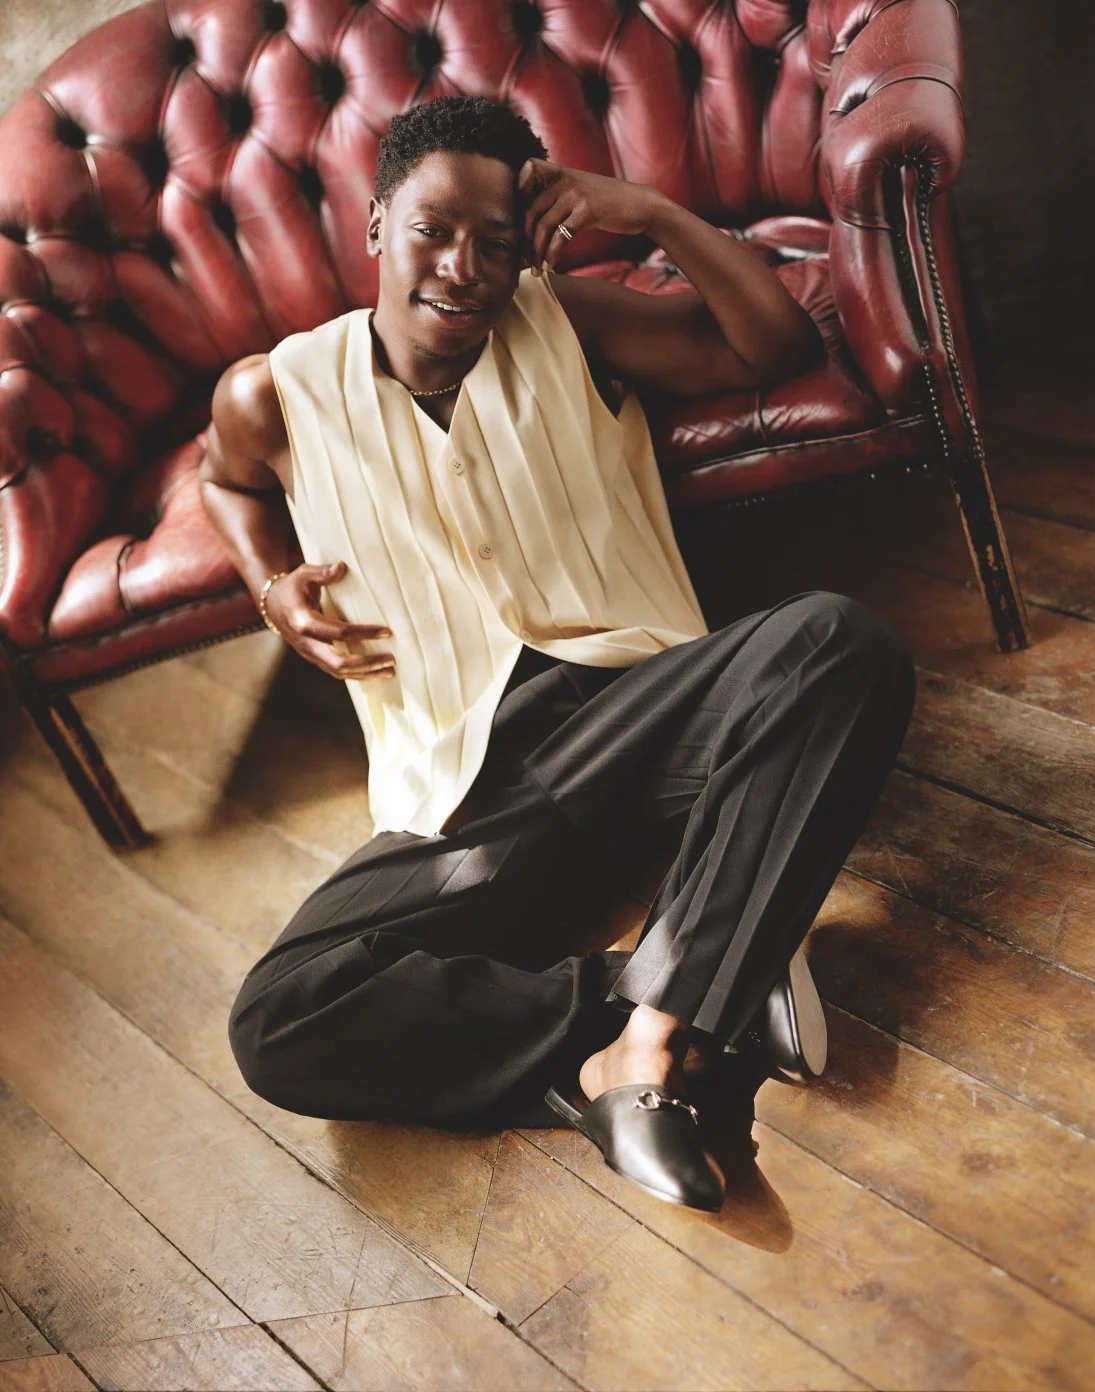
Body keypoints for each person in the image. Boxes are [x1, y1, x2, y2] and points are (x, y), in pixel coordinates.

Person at [199, 95, 915, 1212]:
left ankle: (645, 1052)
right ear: (376, 226)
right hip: (463, 794)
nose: (463, 267)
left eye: (496, 242)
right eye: (433, 230)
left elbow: (774, 344)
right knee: (279, 1019)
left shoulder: (568, 320)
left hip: (645, 714)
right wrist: (269, 589)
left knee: (836, 641)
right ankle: (695, 974)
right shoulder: (272, 392)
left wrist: (650, 214)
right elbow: (226, 483)